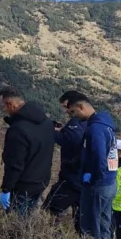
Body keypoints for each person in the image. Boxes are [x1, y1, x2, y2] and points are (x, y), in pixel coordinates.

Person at [0, 87, 55, 217]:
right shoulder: (46, 122)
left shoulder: (18, 130)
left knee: (16, 225)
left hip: (23, 187)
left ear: (10, 104)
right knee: (29, 222)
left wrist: (6, 189)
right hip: (41, 182)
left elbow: (15, 165)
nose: (4, 111)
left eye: (3, 107)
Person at [67, 97, 117, 239]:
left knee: (90, 226)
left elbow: (99, 157)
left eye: (73, 111)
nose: (73, 116)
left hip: (98, 185)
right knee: (103, 224)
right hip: (109, 181)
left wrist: (93, 179)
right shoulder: (106, 125)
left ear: (81, 106)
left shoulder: (95, 129)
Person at [44, 89, 87, 230]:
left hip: (72, 179)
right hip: (84, 181)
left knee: (49, 212)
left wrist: (54, 133)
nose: (66, 110)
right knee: (82, 221)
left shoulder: (76, 122)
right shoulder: (91, 122)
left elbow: (71, 141)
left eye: (66, 106)